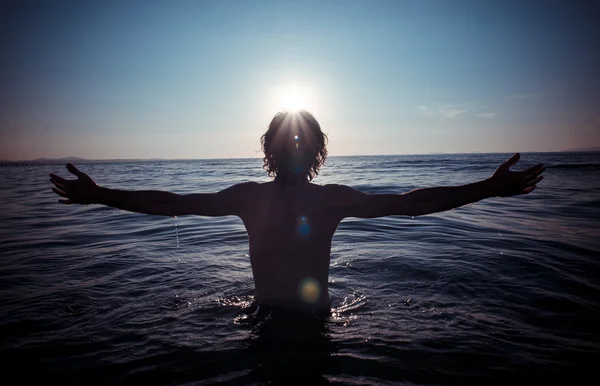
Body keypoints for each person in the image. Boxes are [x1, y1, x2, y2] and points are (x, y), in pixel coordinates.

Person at [50, 110, 544, 315]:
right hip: (276, 318)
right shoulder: (256, 197)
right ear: (273, 149)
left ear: (315, 152)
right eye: (287, 139)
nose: (293, 146)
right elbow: (170, 203)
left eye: (300, 140)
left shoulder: (321, 199)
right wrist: (102, 195)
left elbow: (414, 202)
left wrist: (487, 188)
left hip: (291, 320)